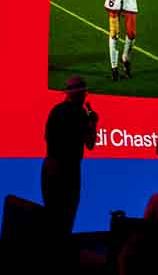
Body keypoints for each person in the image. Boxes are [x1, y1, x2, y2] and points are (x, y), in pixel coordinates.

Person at [42, 76, 99, 234]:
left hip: (51, 167)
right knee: (66, 216)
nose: (84, 97)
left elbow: (47, 137)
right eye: (83, 94)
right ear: (78, 94)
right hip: (68, 170)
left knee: (52, 216)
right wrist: (93, 123)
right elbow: (90, 143)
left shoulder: (57, 110)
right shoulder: (79, 113)